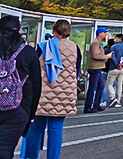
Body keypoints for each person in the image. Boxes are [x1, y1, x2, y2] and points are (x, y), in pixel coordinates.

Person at [24, 20, 81, 159]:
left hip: (42, 93)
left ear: (55, 31)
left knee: (36, 128)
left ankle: (31, 156)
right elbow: (77, 70)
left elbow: (33, 67)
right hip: (64, 94)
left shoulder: (44, 46)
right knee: (56, 129)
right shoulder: (75, 48)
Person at [0, 15, 41, 159]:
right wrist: (30, 114)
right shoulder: (28, 52)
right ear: (19, 31)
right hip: (17, 110)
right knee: (5, 150)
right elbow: (36, 86)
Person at [84, 27, 112, 113]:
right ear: (100, 33)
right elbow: (96, 55)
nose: (105, 34)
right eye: (104, 32)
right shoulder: (96, 43)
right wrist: (107, 56)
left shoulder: (98, 42)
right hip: (94, 68)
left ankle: (96, 105)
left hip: (98, 67)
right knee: (93, 87)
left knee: (100, 86)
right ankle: (88, 106)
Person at [106, 34, 123, 108]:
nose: (114, 39)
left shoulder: (114, 47)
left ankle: (112, 97)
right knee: (119, 85)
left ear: (119, 39)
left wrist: (117, 64)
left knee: (109, 84)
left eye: (115, 38)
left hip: (114, 68)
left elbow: (113, 57)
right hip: (122, 69)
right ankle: (118, 101)